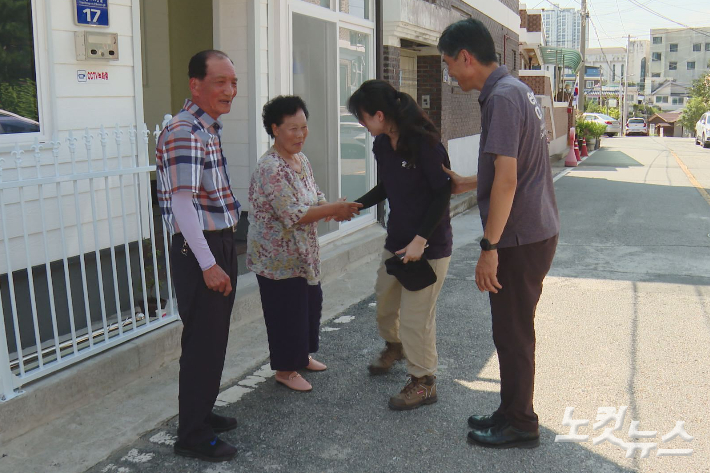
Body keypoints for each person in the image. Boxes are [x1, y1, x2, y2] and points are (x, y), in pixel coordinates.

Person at [438, 19, 560, 449]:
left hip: (519, 236)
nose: (450, 73)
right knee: (509, 331)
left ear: (467, 57)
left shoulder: (503, 100)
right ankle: (509, 411)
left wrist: (489, 247)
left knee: (512, 334)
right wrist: (469, 183)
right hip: (534, 229)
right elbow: (514, 167)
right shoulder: (515, 90)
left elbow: (508, 182)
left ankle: (522, 423)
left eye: (450, 64)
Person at [155, 50, 242, 462]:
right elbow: (182, 206)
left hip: (216, 243)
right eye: (220, 82)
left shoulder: (207, 128)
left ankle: (201, 413)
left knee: (213, 339)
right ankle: (192, 434)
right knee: (203, 344)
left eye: (233, 82)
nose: (230, 90)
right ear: (195, 85)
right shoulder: (184, 131)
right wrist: (209, 263)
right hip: (200, 248)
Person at [348, 80, 453, 411]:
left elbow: (442, 192)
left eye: (363, 119)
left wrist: (420, 240)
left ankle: (424, 382)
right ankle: (395, 346)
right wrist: (357, 204)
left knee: (416, 317)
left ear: (379, 114)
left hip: (428, 247)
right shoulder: (383, 144)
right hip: (396, 241)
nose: (363, 127)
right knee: (385, 303)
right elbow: (388, 185)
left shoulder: (425, 144)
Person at [247, 95, 362, 392]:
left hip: (304, 254)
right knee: (286, 312)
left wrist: (332, 207)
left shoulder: (301, 160)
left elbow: (314, 196)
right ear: (275, 129)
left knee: (308, 306)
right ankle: (285, 370)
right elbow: (293, 213)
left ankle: (300, 357)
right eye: (292, 129)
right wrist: (333, 210)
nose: (300, 135)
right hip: (277, 259)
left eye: (304, 127)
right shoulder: (270, 168)